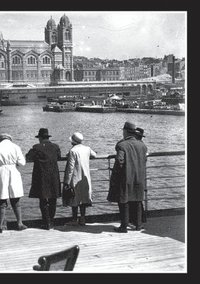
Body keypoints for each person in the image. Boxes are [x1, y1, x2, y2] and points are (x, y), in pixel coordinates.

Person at [107, 121, 147, 233]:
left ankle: (123, 227)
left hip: (125, 178)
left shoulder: (122, 145)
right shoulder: (143, 146)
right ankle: (138, 225)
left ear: (125, 132)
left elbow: (120, 161)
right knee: (138, 201)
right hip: (139, 177)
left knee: (123, 201)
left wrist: (115, 176)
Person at [26, 128, 61, 230]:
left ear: (40, 138)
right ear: (48, 137)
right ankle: (52, 221)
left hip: (41, 176)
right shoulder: (55, 147)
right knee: (53, 199)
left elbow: (29, 157)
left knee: (43, 200)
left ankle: (46, 222)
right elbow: (58, 157)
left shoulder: (36, 147)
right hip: (53, 176)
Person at [63, 131, 96, 226]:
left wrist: (66, 182)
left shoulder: (73, 151)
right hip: (85, 177)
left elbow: (70, 168)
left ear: (72, 141)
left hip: (75, 177)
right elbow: (94, 155)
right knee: (83, 198)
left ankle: (74, 219)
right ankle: (82, 218)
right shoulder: (87, 148)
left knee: (74, 198)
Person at [0, 133, 27, 233]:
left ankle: (1, 225)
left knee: (2, 200)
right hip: (13, 171)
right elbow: (22, 163)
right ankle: (19, 223)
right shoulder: (15, 147)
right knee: (16, 199)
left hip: (1, 172)